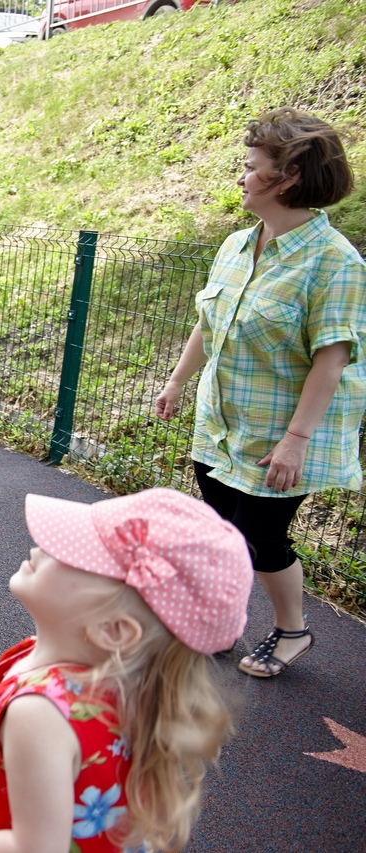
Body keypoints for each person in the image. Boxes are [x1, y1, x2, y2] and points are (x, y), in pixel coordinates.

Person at [0, 488, 251, 853]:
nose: (39, 547)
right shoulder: (114, 677)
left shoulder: (39, 711)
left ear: (113, 630)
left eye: (72, 551)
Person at [154, 108, 363, 678]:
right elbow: (208, 322)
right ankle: (222, 626)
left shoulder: (335, 262)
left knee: (260, 537)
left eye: (251, 166)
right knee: (221, 530)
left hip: (280, 435)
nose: (241, 177)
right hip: (223, 423)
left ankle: (293, 630)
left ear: (289, 176)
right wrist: (178, 381)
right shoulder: (236, 245)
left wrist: (296, 440)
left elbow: (332, 359)